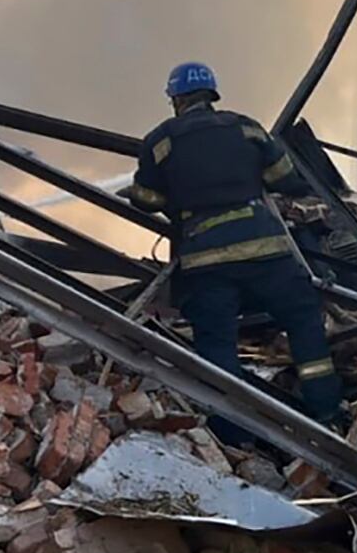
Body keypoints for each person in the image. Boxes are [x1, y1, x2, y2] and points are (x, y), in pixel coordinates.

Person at [125, 62, 340, 424]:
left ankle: (233, 430)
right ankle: (326, 411)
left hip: (205, 259)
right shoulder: (246, 128)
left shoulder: (161, 141)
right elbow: (285, 178)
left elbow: (145, 198)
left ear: (176, 99)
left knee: (216, 344)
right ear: (212, 95)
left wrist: (176, 199)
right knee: (303, 319)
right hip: (264, 250)